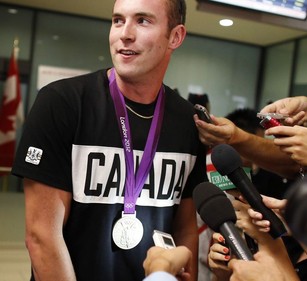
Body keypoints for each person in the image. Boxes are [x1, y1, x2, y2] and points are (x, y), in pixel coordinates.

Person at [11, 1, 207, 280]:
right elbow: (42, 237)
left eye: (142, 21)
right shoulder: (62, 103)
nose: (124, 33)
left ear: (175, 36)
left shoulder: (188, 121)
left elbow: (185, 227)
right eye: (117, 20)